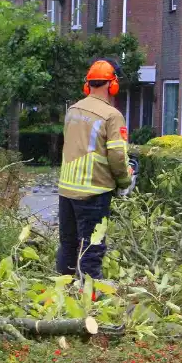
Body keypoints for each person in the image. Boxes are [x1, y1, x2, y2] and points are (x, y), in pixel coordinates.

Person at [57, 59, 132, 279]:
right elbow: (118, 156)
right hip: (94, 191)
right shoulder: (112, 115)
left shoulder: (73, 110)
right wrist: (124, 180)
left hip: (67, 190)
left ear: (88, 84)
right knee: (92, 249)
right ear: (112, 84)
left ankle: (63, 294)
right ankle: (90, 302)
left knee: (68, 247)